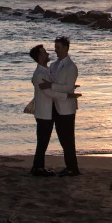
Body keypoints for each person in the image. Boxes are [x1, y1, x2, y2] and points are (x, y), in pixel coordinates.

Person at [38, 35, 80, 176]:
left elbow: (68, 88)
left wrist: (51, 85)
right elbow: (50, 83)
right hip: (54, 107)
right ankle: (68, 167)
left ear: (66, 48)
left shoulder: (71, 67)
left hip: (67, 108)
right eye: (55, 48)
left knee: (68, 139)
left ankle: (73, 168)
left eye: (59, 48)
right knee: (62, 139)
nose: (56, 51)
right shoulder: (54, 65)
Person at [27, 43, 70, 176]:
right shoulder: (39, 74)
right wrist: (66, 95)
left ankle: (38, 166)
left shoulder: (46, 71)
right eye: (44, 52)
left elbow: (54, 87)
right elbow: (49, 92)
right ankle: (38, 167)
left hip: (48, 112)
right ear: (40, 57)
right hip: (44, 113)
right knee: (43, 141)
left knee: (43, 140)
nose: (47, 54)